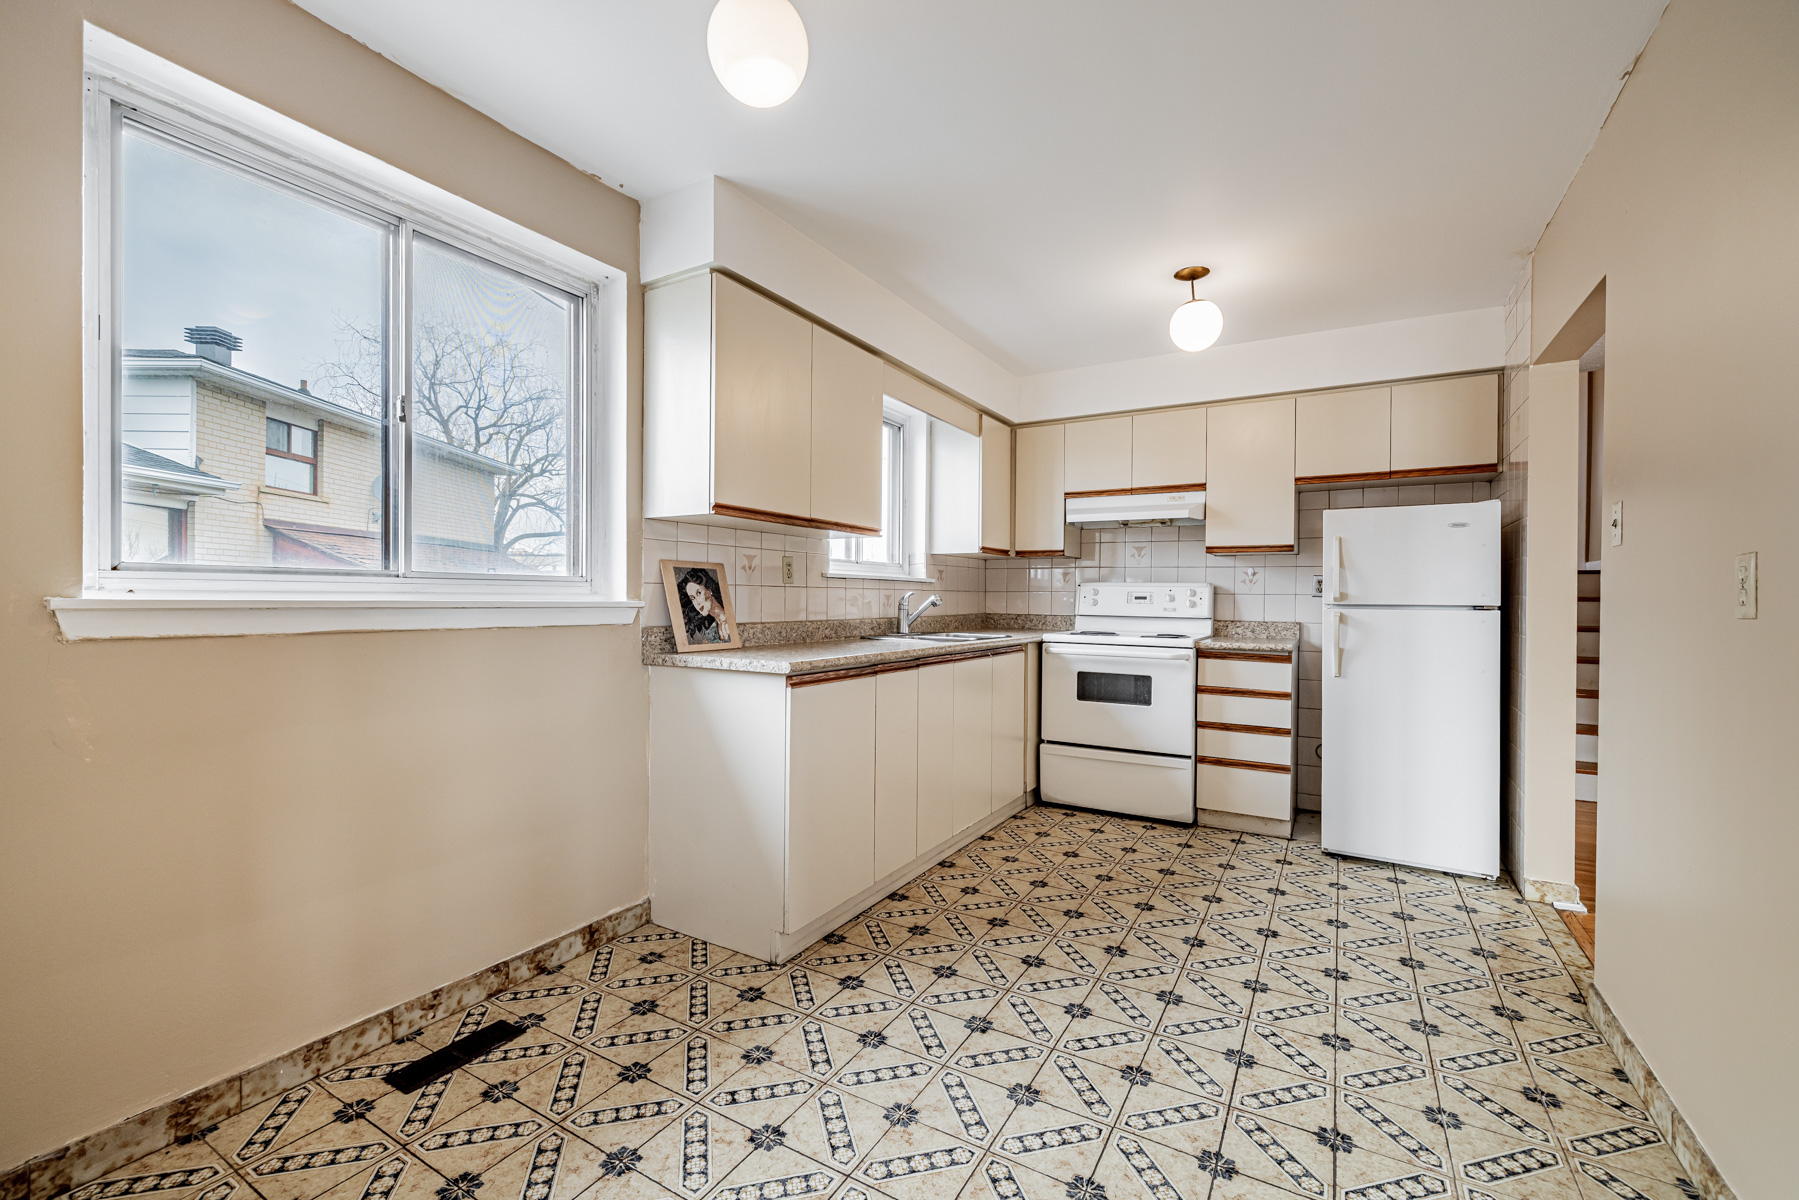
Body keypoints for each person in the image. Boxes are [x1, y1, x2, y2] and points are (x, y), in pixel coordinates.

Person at [677, 567, 732, 644]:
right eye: (692, 598)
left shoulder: (729, 619)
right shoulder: (709, 632)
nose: (697, 602)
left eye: (699, 593)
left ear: (709, 590)